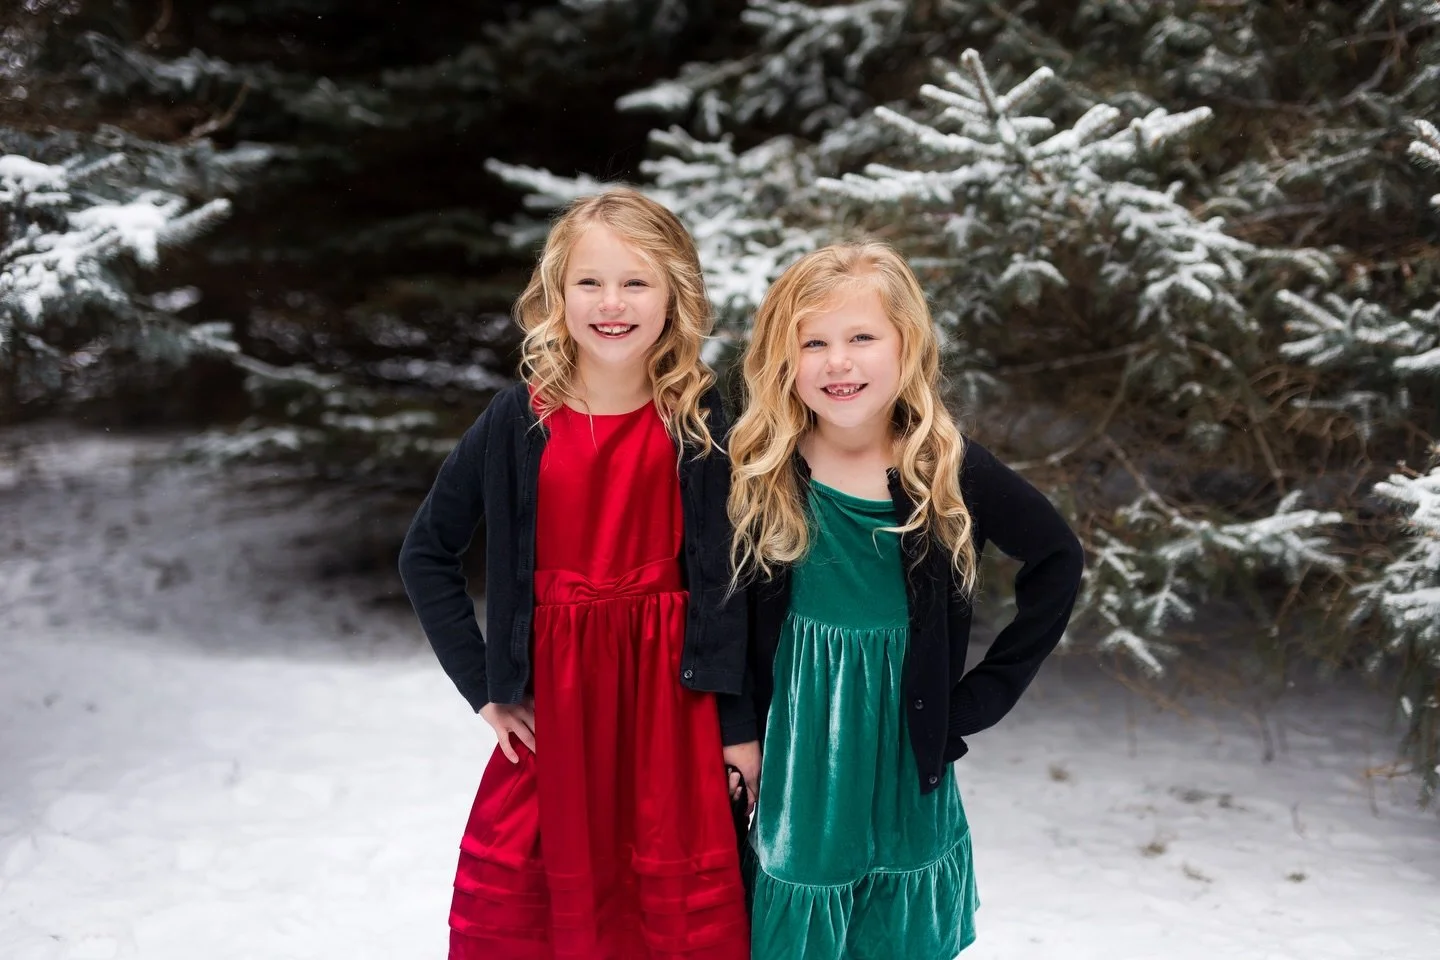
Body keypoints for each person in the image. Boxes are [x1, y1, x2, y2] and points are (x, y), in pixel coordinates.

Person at [399, 188, 756, 960]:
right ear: (556, 295)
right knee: (534, 913)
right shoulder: (517, 420)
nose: (612, 303)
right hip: (556, 703)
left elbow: (743, 583)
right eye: (589, 282)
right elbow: (426, 552)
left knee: (669, 918)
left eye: (636, 282)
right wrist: (485, 686)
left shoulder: (707, 419)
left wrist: (739, 726)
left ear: (676, 295)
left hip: (674, 703)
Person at [727, 241, 1085, 959]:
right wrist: (737, 729)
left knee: (895, 921)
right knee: (802, 895)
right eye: (814, 343)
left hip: (902, 728)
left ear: (906, 345)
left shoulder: (942, 466)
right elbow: (722, 613)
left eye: (862, 338)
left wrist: (983, 695)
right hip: (802, 736)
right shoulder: (763, 468)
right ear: (783, 359)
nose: (839, 362)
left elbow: (1057, 558)